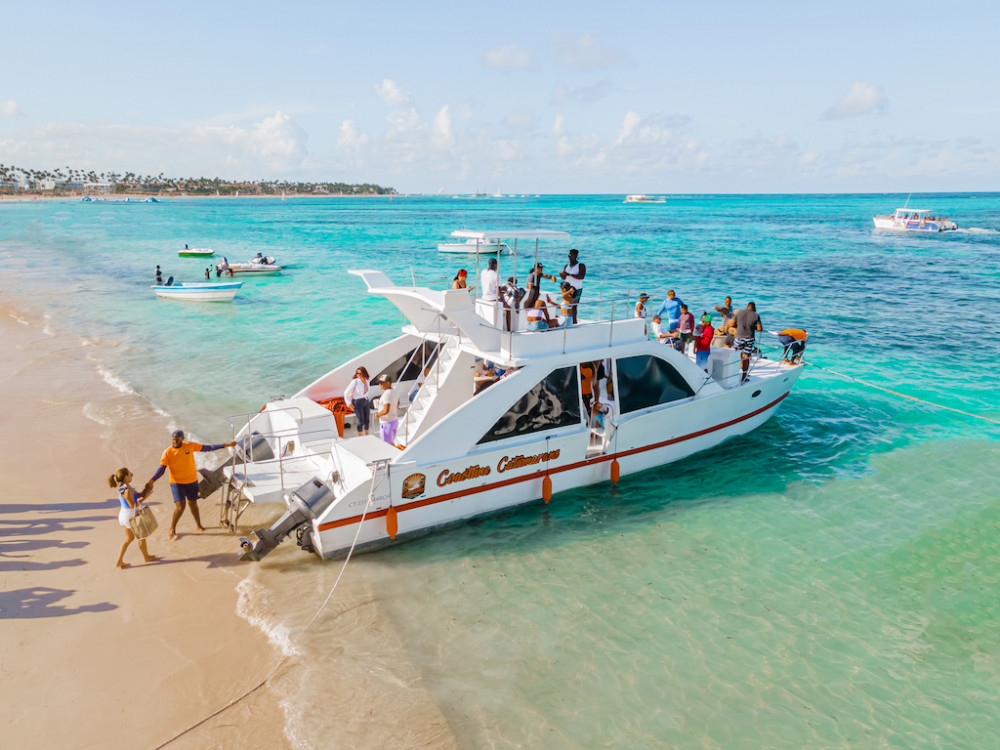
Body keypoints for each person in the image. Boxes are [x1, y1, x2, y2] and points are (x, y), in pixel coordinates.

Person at [147, 429, 236, 540]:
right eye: (173, 440)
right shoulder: (168, 452)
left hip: (191, 481)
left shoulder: (189, 446)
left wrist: (226, 445)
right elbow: (161, 469)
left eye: (177, 440)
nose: (174, 442)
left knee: (193, 503)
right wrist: (152, 480)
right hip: (176, 483)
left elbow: (207, 448)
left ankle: (198, 524)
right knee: (180, 507)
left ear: (182, 439)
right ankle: (172, 528)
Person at [109, 467, 157, 569]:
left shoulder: (124, 487)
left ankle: (119, 561)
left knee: (129, 539)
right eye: (131, 474)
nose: (132, 475)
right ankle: (146, 557)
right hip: (130, 516)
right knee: (142, 536)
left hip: (124, 515)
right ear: (126, 477)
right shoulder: (127, 490)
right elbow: (133, 505)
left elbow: (137, 495)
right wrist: (146, 498)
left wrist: (145, 490)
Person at [732, 302, 763, 383]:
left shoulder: (739, 313)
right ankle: (744, 376)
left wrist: (739, 326)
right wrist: (753, 326)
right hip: (749, 338)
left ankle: (733, 374)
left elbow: (732, 324)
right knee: (746, 356)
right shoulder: (756, 315)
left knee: (737, 355)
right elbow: (760, 329)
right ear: (754, 308)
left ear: (747, 307)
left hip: (738, 338)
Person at [559, 248, 586, 323]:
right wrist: (562, 275)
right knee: (566, 305)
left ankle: (574, 321)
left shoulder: (580, 265)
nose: (569, 256)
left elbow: (581, 276)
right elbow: (564, 277)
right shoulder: (566, 266)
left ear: (575, 256)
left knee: (574, 306)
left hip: (576, 289)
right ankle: (566, 320)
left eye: (571, 254)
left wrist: (570, 274)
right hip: (567, 289)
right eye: (569, 254)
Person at [343, 366, 371, 436]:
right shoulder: (355, 382)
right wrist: (349, 403)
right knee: (361, 421)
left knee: (367, 420)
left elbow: (367, 392)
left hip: (365, 401)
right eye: (357, 373)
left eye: (360, 373)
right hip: (357, 402)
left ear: (364, 373)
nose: (359, 375)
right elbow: (346, 392)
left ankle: (367, 435)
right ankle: (360, 436)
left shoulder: (367, 381)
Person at [375, 374, 400, 445]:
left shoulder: (387, 394)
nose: (379, 384)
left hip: (387, 423)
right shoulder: (394, 391)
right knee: (391, 442)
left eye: (381, 383)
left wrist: (378, 414)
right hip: (394, 421)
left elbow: (386, 410)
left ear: (388, 383)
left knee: (386, 445)